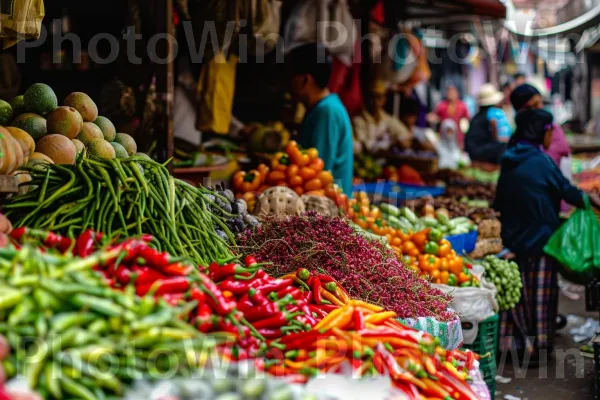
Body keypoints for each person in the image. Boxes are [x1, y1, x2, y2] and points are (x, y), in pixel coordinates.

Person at [494, 109, 600, 361]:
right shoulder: (541, 161)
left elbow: (498, 201)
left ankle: (516, 347)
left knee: (519, 295)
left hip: (513, 238)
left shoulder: (510, 159)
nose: (551, 136)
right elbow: (566, 190)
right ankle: (538, 350)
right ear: (540, 131)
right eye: (550, 131)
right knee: (540, 295)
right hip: (541, 239)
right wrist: (589, 199)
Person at [288, 43, 354, 196]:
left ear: (306, 80)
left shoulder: (327, 111)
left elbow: (318, 172)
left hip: (327, 210)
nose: (289, 83)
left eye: (292, 76)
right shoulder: (322, 107)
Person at [510, 84, 570, 168]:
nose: (540, 107)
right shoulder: (520, 139)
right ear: (520, 111)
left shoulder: (550, 127)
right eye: (534, 105)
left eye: (541, 102)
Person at [352, 80, 412, 154]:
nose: (375, 102)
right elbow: (365, 145)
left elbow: (404, 135)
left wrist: (402, 141)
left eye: (379, 98)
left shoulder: (386, 118)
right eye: (372, 97)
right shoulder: (358, 119)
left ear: (384, 100)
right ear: (366, 98)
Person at [464, 84, 508, 164]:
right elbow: (496, 138)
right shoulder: (492, 114)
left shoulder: (477, 116)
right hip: (480, 152)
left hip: (473, 151)